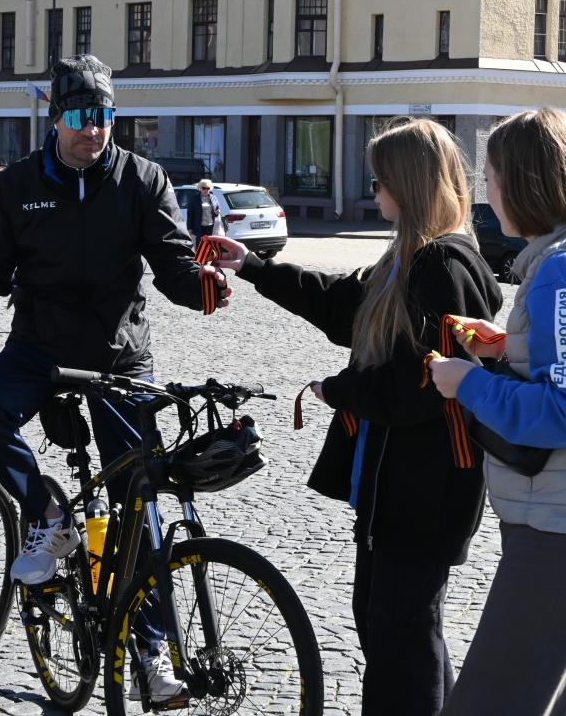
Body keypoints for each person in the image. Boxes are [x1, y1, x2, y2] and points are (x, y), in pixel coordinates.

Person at [0, 53, 230, 703]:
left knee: (140, 497)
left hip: (119, 355)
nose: (94, 129)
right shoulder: (18, 185)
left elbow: (173, 271)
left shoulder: (143, 180)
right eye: (80, 116)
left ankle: (153, 653)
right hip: (40, 350)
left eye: (105, 116)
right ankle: (49, 514)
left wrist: (208, 288)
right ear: (55, 119)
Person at [213, 118, 502, 715]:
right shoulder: (410, 257)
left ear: (410, 183)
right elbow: (342, 304)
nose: (372, 190)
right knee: (392, 625)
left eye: (379, 180)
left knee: (400, 633)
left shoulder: (439, 266)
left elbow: (420, 385)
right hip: (399, 484)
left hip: (427, 486)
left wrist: (337, 389)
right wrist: (257, 267)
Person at [428, 109, 566, 716]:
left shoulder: (565, 272)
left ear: (525, 182)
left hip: (565, 524)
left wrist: (467, 382)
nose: (485, 191)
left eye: (491, 175)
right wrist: (504, 347)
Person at [185, 178, 223, 246]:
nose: (206, 190)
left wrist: (217, 211)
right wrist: (189, 228)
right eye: (204, 188)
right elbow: (190, 214)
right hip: (199, 226)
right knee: (200, 245)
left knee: (210, 244)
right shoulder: (194, 199)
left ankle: (210, 256)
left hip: (211, 226)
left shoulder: (213, 198)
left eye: (208, 188)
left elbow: (217, 208)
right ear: (200, 188)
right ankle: (200, 256)